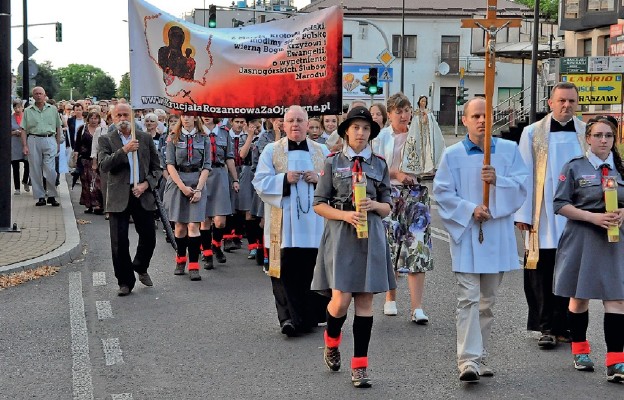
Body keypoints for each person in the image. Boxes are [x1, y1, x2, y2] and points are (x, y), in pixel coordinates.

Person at [433, 97, 529, 382]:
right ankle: (468, 361)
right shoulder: (452, 155)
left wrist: (499, 180)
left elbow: (523, 187)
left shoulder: (509, 151)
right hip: (467, 233)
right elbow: (442, 193)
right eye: (475, 116)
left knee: (487, 300)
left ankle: (481, 353)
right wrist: (470, 209)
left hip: (496, 233)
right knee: (468, 298)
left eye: (486, 115)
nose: (481, 121)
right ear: (465, 120)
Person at [312, 106, 395, 388]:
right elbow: (319, 204)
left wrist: (375, 206)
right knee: (341, 299)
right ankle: (332, 341)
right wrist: (345, 214)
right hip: (341, 232)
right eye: (356, 127)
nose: (360, 133)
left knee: (365, 300)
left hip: (370, 234)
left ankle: (360, 365)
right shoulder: (333, 162)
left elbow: (388, 206)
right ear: (346, 130)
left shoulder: (379, 165)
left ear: (372, 133)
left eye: (366, 128)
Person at [515, 82, 587, 349]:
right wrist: (523, 213)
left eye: (571, 101)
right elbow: (523, 175)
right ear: (551, 103)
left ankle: (565, 325)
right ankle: (545, 326)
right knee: (542, 270)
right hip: (542, 213)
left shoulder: (585, 132)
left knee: (570, 270)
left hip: (575, 211)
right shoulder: (533, 133)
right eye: (562, 101)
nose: (567, 106)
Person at [552, 117, 624, 382]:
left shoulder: (621, 167)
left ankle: (616, 361)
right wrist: (593, 218)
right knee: (580, 298)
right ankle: (580, 350)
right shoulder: (574, 167)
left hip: (614, 241)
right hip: (582, 236)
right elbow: (560, 204)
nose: (603, 140)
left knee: (616, 298)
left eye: (608, 136)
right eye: (598, 135)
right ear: (588, 138)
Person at [253, 105, 330, 336]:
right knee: (283, 269)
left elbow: (335, 182)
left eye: (300, 120)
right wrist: (284, 179)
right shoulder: (271, 150)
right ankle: (287, 318)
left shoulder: (322, 151)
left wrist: (318, 178)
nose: (295, 124)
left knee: (311, 268)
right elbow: (260, 182)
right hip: (283, 222)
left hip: (314, 223)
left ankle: (309, 317)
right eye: (291, 121)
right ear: (283, 125)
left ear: (308, 125)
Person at [372, 92, 433, 322]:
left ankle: (417, 307)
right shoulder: (381, 138)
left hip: (416, 194)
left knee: (417, 249)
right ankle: (390, 298)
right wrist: (396, 173)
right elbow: (375, 168)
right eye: (399, 111)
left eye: (407, 111)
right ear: (389, 114)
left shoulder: (418, 135)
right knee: (391, 246)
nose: (404, 115)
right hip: (390, 193)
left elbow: (431, 160)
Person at [98, 103, 162, 296]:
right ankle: (125, 281)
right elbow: (104, 165)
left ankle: (140, 265)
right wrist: (124, 150)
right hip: (119, 196)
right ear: (112, 117)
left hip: (141, 194)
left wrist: (146, 185)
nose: (123, 118)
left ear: (133, 117)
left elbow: (157, 168)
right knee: (119, 242)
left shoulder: (144, 138)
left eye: (126, 114)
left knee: (149, 237)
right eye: (119, 115)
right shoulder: (106, 139)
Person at [164, 114, 211, 281]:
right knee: (180, 226)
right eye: (183, 116)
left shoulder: (204, 138)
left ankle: (193, 265)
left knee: (193, 226)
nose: (186, 119)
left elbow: (206, 166)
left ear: (195, 118)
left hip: (197, 181)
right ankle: (180, 260)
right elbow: (170, 164)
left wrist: (198, 189)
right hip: (179, 182)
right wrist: (183, 188)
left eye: (189, 116)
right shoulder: (172, 137)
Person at [199, 116, 239, 269]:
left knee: (220, 221)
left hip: (220, 174)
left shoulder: (224, 132)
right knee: (205, 218)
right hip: (203, 175)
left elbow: (229, 157)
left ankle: (216, 244)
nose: (206, 115)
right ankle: (207, 253)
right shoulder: (197, 132)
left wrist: (235, 179)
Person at [20, 86, 62, 207]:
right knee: (35, 170)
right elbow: (23, 129)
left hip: (49, 139)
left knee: (50, 169)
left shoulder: (53, 109)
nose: (38, 95)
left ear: (44, 95)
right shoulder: (28, 111)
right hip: (33, 139)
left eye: (40, 93)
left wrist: (58, 143)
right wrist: (25, 145)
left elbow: (58, 127)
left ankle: (52, 195)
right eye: (36, 94)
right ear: (33, 96)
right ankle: (40, 196)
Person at [74, 111, 104, 214]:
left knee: (96, 182)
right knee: (86, 183)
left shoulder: (102, 130)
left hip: (97, 159)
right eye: (91, 118)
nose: (93, 120)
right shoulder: (82, 129)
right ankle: (89, 205)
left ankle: (98, 204)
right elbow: (77, 143)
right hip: (85, 159)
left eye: (96, 118)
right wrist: (76, 154)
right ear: (88, 119)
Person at [413, 95, 445, 177]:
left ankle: (428, 168)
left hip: (427, 135)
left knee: (428, 151)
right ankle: (420, 168)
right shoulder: (416, 112)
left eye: (425, 101)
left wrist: (426, 117)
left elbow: (432, 124)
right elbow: (415, 124)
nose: (423, 102)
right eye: (422, 101)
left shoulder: (428, 112)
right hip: (419, 135)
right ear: (419, 102)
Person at [11, 99, 29, 195]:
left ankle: (25, 180)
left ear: (23, 107)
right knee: (15, 166)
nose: (17, 109)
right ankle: (17, 188)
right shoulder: (10, 118)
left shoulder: (26, 117)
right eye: (15, 107)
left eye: (19, 107)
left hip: (25, 143)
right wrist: (14, 132)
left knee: (28, 163)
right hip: (14, 144)